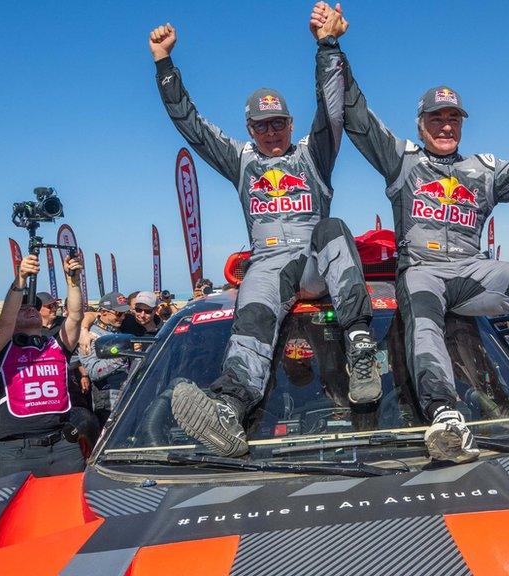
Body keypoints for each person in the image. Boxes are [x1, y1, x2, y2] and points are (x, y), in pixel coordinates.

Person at [312, 3, 509, 464]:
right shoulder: (402, 160)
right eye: (436, 118)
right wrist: (330, 46)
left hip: (472, 271)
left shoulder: (485, 172)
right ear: (421, 124)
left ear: (461, 124)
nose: (445, 125)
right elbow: (355, 113)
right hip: (424, 271)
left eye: (453, 118)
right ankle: (445, 415)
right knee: (417, 300)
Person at [149, 10, 380, 457]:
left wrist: (327, 46)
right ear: (249, 129)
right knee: (251, 315)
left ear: (291, 124)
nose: (271, 132)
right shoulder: (240, 160)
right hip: (268, 265)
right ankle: (229, 409)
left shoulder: (315, 153)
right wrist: (164, 65)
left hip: (316, 264)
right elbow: (191, 126)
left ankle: (360, 345)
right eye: (261, 125)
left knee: (333, 228)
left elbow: (332, 108)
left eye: (278, 123)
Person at [0, 253, 85, 477]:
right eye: (22, 307)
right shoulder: (0, 349)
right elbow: (6, 321)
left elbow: (76, 317)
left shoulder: (55, 345)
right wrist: (20, 280)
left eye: (34, 307)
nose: (30, 308)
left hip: (63, 445)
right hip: (18, 451)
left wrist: (74, 283)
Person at [80, 291, 132, 425]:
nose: (122, 318)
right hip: (107, 398)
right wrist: (123, 356)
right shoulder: (90, 336)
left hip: (127, 392)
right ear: (103, 312)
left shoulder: (118, 329)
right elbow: (93, 371)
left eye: (125, 313)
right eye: (119, 313)